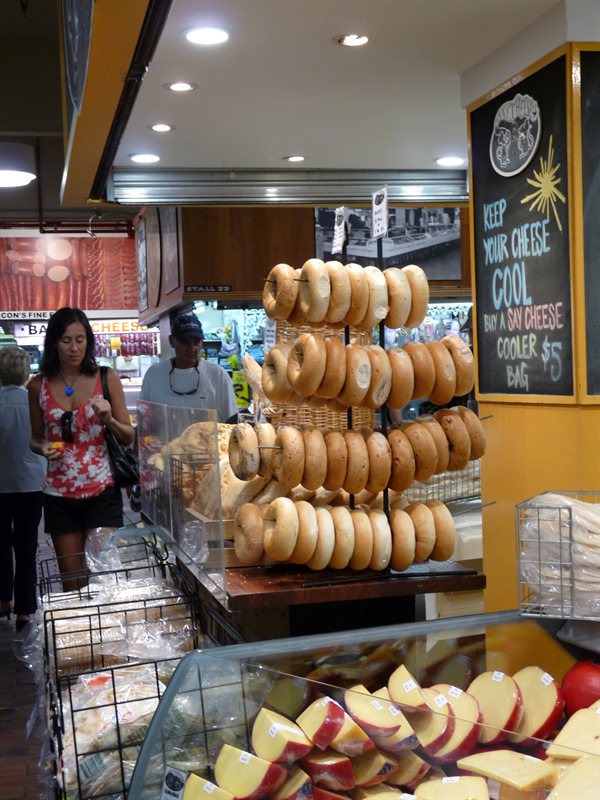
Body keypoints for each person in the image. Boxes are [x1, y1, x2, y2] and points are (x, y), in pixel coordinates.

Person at [28, 307, 134, 590]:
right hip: (59, 495)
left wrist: (109, 418)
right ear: (53, 343)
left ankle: (109, 634)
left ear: (88, 341)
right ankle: (78, 634)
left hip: (102, 491)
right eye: (65, 340)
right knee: (72, 582)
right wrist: (44, 447)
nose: (74, 348)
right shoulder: (38, 385)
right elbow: (35, 438)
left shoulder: (106, 378)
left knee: (104, 578)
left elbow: (128, 436)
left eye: (80, 339)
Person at [0, 346, 46, 631]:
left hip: (0, 485)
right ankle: (25, 610)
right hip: (31, 484)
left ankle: (3, 599)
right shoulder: (35, 401)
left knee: (1, 545)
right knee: (27, 546)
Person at [140, 312, 238, 422]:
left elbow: (232, 421)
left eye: (196, 342)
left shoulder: (217, 375)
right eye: (185, 342)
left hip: (207, 439)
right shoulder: (154, 374)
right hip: (165, 440)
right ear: (172, 341)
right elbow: (145, 420)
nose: (192, 348)